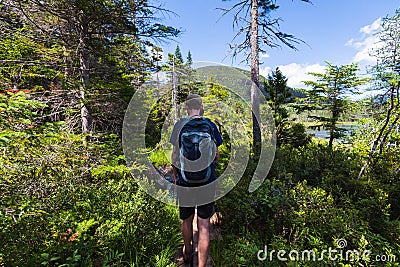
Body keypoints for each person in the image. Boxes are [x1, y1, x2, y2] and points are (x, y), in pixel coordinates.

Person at [169, 94, 222, 267]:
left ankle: (187, 250)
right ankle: (201, 264)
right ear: (201, 107)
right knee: (204, 224)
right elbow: (216, 155)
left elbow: (175, 155)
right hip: (207, 181)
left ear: (186, 108)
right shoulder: (210, 125)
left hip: (185, 182)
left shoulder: (179, 125)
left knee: (186, 219)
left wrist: (176, 175)